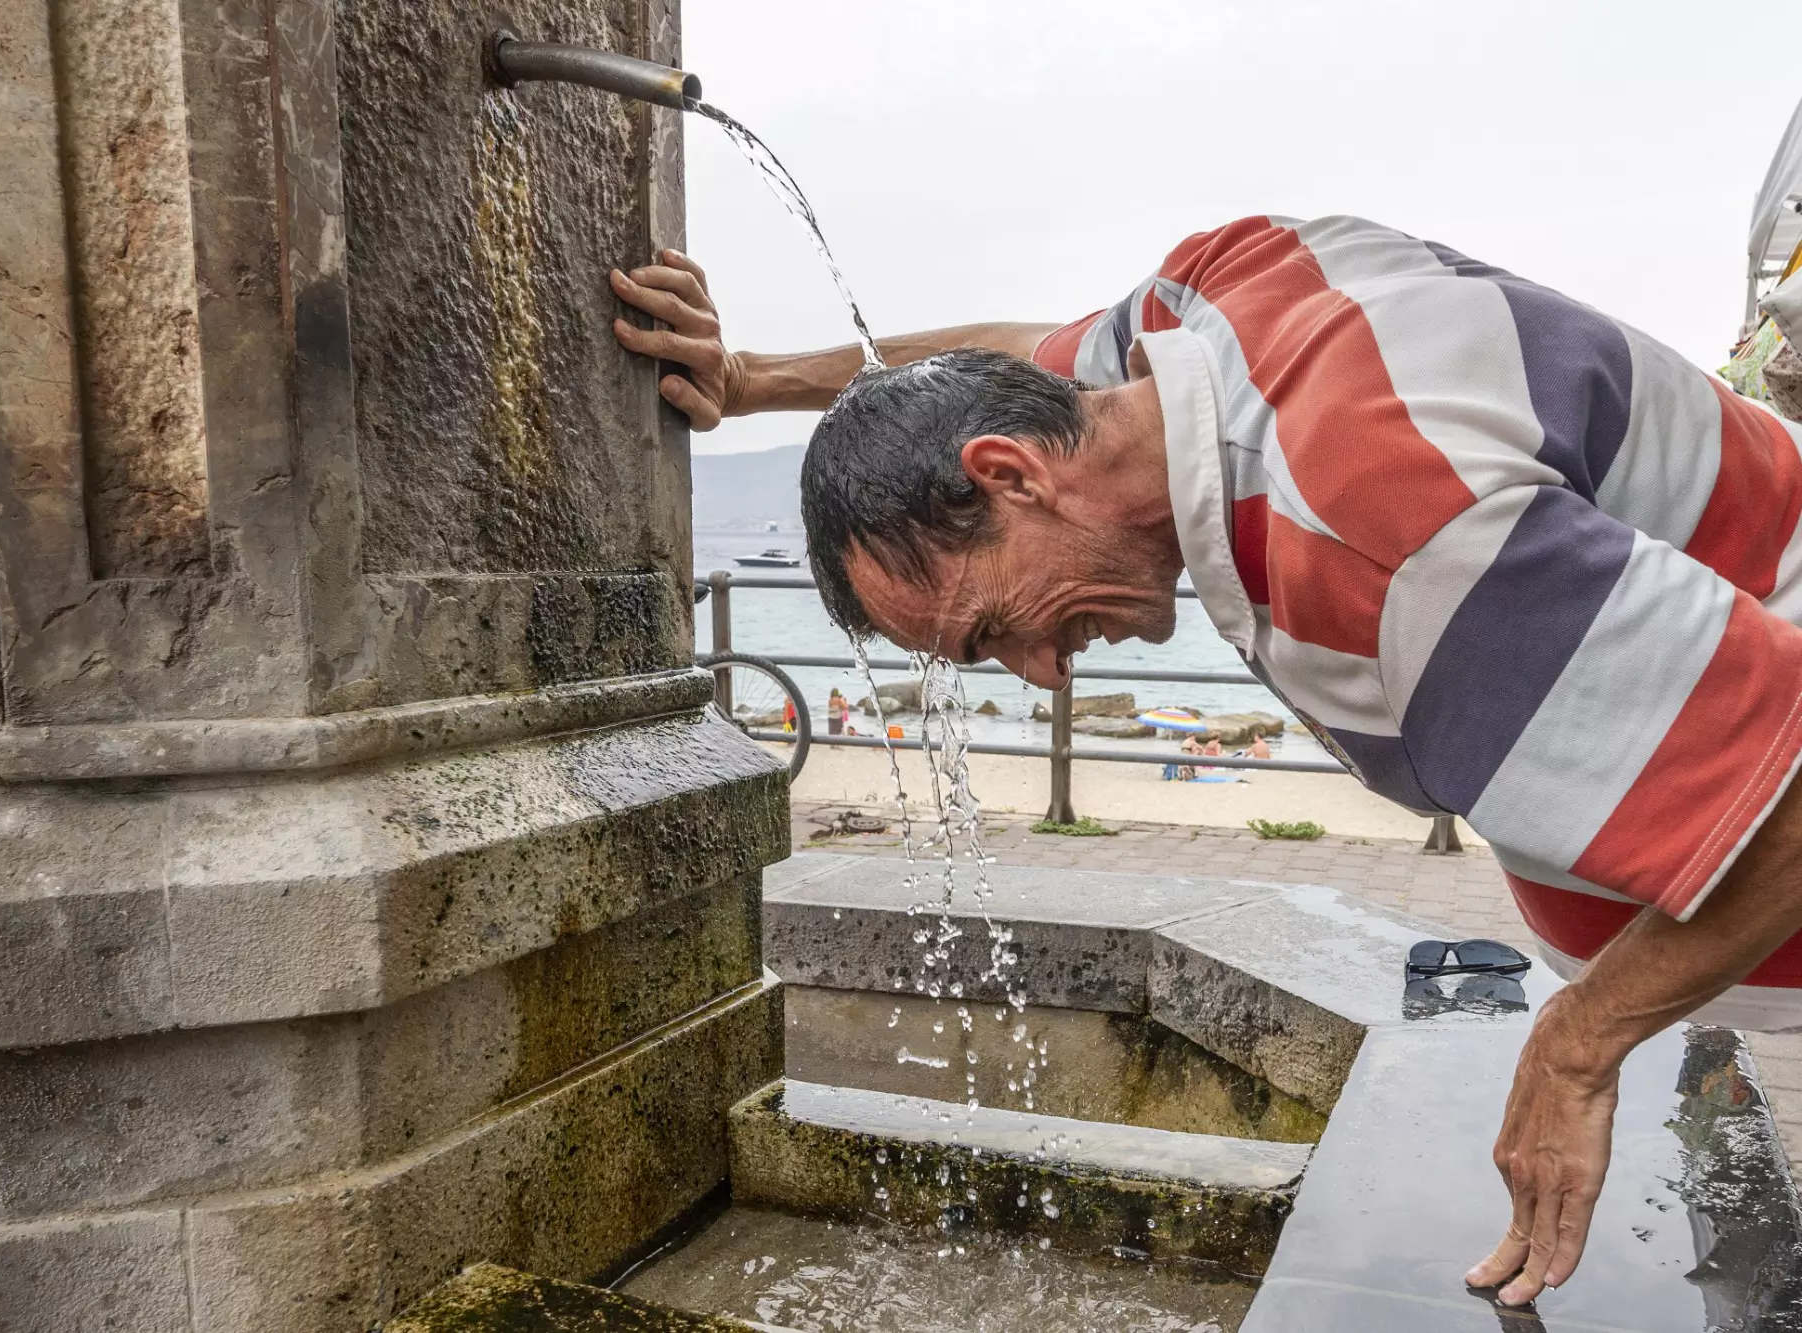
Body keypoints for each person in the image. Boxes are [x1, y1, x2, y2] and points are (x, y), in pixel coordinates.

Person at [608, 216, 1802, 1308]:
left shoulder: (1378, 539)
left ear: (1008, 475)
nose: (1042, 677)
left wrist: (1580, 1041)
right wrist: (762, 382)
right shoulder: (1205, 307)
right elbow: (1009, 352)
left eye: (990, 631)